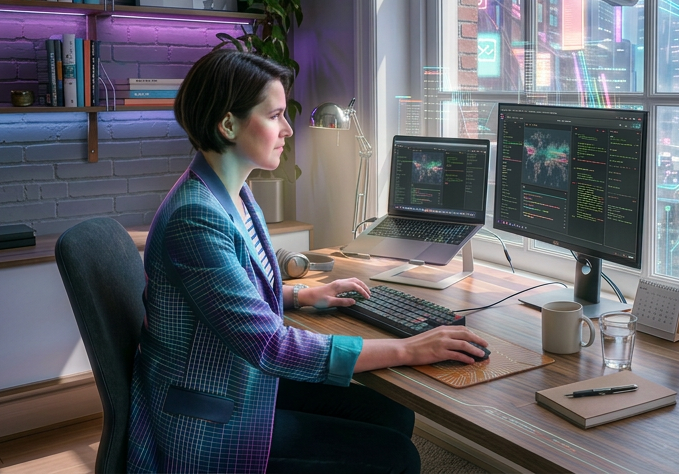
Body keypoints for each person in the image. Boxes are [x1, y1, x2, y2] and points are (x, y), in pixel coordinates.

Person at [127, 49, 488, 473]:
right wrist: (408, 349)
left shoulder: (232, 192)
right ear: (228, 124)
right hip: (209, 419)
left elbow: (230, 294)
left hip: (235, 381)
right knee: (396, 457)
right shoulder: (196, 217)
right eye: (275, 115)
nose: (287, 129)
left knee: (391, 413)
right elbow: (270, 346)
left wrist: (304, 294)